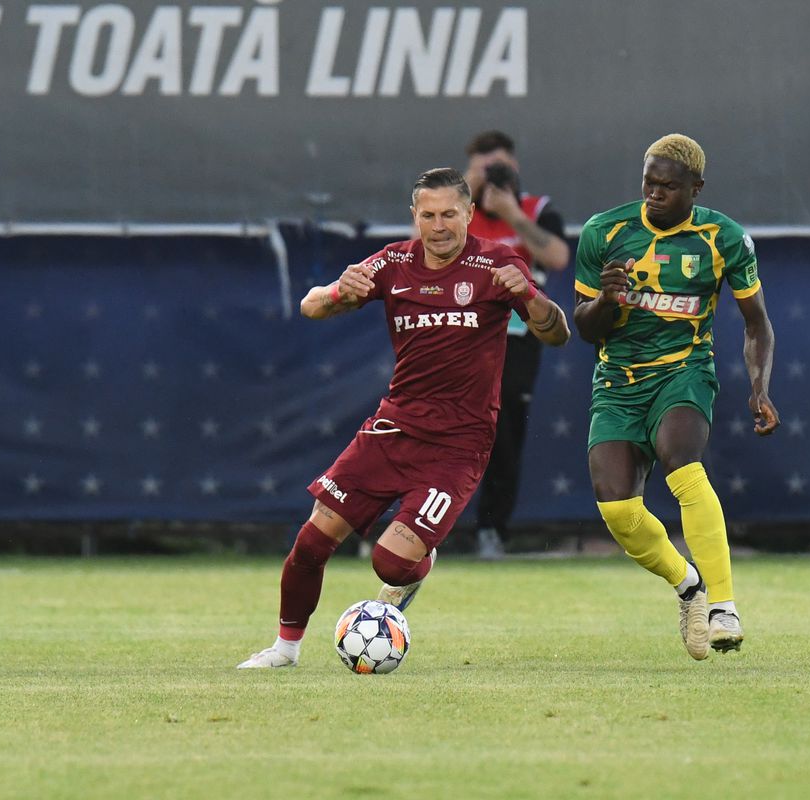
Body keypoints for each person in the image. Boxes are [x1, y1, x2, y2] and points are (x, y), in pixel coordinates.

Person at [238, 167, 569, 669]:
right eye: (428, 215)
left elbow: (556, 332)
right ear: (414, 215)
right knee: (311, 542)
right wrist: (338, 292)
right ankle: (285, 650)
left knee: (390, 563)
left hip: (458, 445)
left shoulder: (498, 262)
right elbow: (310, 306)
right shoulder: (393, 261)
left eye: (449, 214)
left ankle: (419, 559)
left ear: (469, 213)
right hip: (392, 429)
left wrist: (528, 295)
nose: (439, 226)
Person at [572, 134, 779, 660]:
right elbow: (586, 329)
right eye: (649, 183)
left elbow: (756, 324)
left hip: (684, 371)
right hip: (618, 380)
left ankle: (723, 607)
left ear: (696, 189)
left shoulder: (723, 238)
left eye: (667, 186)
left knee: (681, 463)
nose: (654, 194)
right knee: (618, 511)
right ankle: (689, 586)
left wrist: (759, 388)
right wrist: (607, 299)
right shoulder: (604, 231)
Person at [462, 130, 571, 559]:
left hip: (515, 339)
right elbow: (423, 247)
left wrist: (511, 214)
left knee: (504, 431)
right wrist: (465, 192)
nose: (492, 176)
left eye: (499, 168)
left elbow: (558, 256)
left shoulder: (534, 209)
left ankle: (492, 528)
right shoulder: (456, 211)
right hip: (461, 333)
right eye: (483, 168)